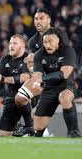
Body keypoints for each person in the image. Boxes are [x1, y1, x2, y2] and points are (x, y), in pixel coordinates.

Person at [32, 27, 81, 138]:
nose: (47, 45)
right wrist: (36, 81)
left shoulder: (68, 50)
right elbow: (37, 74)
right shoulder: (39, 55)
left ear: (58, 41)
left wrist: (42, 79)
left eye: (50, 41)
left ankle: (73, 132)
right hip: (49, 89)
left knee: (65, 97)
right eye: (45, 42)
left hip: (66, 86)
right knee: (38, 128)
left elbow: (65, 74)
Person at [13, 8, 52, 136]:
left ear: (48, 20)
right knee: (19, 98)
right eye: (36, 19)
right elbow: (34, 67)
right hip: (41, 77)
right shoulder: (33, 41)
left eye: (41, 18)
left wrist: (36, 57)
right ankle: (30, 127)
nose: (38, 21)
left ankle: (39, 129)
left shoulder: (58, 36)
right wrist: (31, 66)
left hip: (57, 77)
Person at [0, 35, 31, 136]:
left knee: (21, 98)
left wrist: (4, 79)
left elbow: (24, 77)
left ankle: (29, 126)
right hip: (10, 97)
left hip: (29, 96)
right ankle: (19, 128)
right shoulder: (4, 59)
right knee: (4, 134)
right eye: (10, 43)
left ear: (22, 46)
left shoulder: (28, 58)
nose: (11, 46)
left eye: (15, 43)